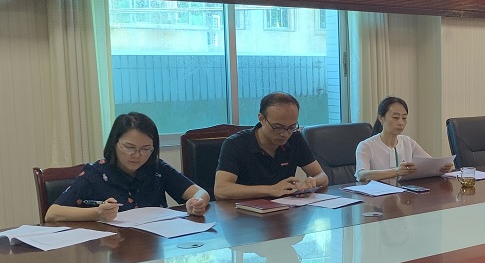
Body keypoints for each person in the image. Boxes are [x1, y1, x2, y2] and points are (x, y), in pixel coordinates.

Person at [46, 112, 209, 222]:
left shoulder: (156, 168)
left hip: (151, 247)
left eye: (145, 149)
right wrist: (97, 213)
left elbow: (200, 192)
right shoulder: (96, 174)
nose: (137, 155)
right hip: (113, 250)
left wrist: (197, 202)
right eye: (130, 147)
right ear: (114, 143)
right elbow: (52, 213)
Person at [214, 92, 329, 200]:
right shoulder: (235, 144)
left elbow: (322, 176)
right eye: (278, 127)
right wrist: (271, 190)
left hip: (285, 208)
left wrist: (312, 182)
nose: (284, 134)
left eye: (291, 127)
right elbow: (221, 190)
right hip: (244, 210)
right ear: (262, 119)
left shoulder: (295, 139)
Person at [356, 96, 453, 183]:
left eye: (404, 118)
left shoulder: (408, 142)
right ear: (381, 118)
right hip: (377, 195)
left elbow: (430, 163)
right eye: (395, 117)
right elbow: (362, 175)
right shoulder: (366, 146)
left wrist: (442, 168)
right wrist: (396, 171)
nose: (401, 122)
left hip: (404, 194)